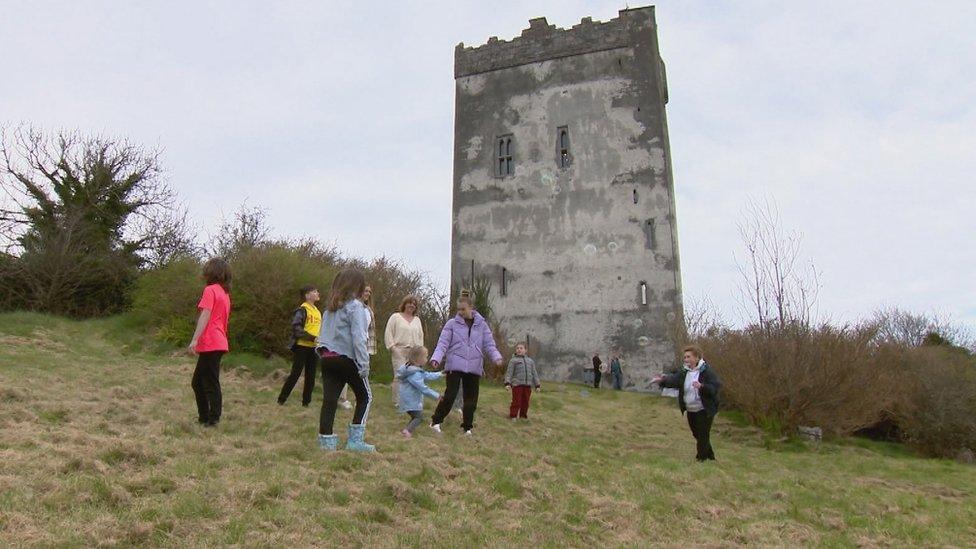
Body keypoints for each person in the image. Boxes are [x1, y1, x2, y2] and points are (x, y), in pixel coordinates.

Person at [315, 268, 374, 452]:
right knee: (365, 396)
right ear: (358, 286)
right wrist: (364, 363)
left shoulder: (329, 309)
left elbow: (322, 335)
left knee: (330, 400)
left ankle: (326, 443)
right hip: (346, 358)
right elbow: (358, 337)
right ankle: (355, 441)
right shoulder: (355, 307)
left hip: (327, 357)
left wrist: (322, 353)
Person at [428, 291, 503, 435]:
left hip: (474, 366)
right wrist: (436, 358)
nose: (461, 312)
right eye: (459, 309)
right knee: (450, 396)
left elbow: (489, 344)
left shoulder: (482, 325)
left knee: (471, 400)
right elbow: (443, 343)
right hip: (454, 365)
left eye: (463, 309)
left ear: (471, 308)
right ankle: (435, 421)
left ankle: (467, 427)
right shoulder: (451, 324)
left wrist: (496, 357)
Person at [652, 345, 722, 462]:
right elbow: (673, 380)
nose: (685, 359)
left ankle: (701, 459)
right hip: (691, 409)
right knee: (697, 434)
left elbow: (715, 388)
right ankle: (710, 456)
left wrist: (702, 386)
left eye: (688, 357)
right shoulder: (684, 371)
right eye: (685, 357)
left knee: (703, 435)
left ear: (697, 358)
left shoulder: (707, 371)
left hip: (704, 409)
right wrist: (662, 381)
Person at [187, 258, 232, 427]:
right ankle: (204, 417)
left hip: (212, 341)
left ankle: (213, 419)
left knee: (210, 382)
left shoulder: (211, 290)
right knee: (198, 382)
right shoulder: (225, 293)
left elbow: (205, 315)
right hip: (219, 341)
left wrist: (194, 339)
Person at [278, 285, 321, 407]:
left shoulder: (318, 312)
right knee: (295, 374)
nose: (318, 293)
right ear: (307, 295)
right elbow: (296, 328)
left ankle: (306, 403)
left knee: (311, 377)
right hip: (302, 347)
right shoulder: (302, 310)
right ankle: (282, 399)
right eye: (314, 291)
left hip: (314, 348)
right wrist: (312, 338)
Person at [336, 284, 378, 410]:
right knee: (346, 370)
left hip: (363, 343)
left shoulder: (368, 310)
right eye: (365, 291)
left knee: (362, 372)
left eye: (369, 292)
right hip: (350, 343)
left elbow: (369, 330)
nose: (368, 294)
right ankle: (341, 398)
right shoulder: (351, 307)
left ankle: (360, 399)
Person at [384, 295, 425, 406]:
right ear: (405, 304)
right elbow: (388, 333)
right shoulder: (395, 317)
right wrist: (392, 348)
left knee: (416, 377)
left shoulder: (417, 320)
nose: (411, 305)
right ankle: (398, 401)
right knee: (400, 376)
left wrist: (421, 353)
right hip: (400, 350)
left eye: (414, 304)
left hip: (414, 352)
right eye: (409, 303)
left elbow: (421, 336)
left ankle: (415, 401)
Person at [395, 346, 442, 438]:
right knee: (418, 417)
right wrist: (437, 396)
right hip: (410, 400)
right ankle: (407, 431)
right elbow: (423, 388)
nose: (427, 359)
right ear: (418, 359)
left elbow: (427, 375)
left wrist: (440, 374)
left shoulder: (413, 370)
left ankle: (408, 429)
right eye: (425, 357)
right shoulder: (414, 374)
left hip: (408, 400)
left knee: (415, 416)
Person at [504, 343, 540, 421]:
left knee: (525, 402)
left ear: (525, 350)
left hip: (527, 385)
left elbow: (534, 373)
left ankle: (523, 416)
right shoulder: (513, 361)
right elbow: (509, 373)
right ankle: (513, 415)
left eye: (521, 348)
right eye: (517, 348)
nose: (519, 350)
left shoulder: (530, 361)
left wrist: (537, 385)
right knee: (516, 401)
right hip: (517, 385)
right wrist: (507, 383)